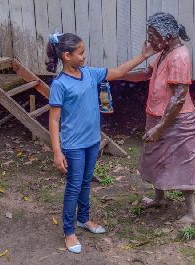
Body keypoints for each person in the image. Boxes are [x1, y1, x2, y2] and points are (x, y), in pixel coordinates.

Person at [47, 32, 154, 254]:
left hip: (92, 141)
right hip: (73, 145)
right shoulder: (60, 84)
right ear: (67, 56)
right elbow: (54, 120)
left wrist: (143, 57)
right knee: (74, 186)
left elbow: (119, 71)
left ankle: (83, 219)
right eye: (81, 53)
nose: (84, 57)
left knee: (86, 182)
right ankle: (68, 231)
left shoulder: (89, 74)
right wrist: (57, 151)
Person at [121, 12, 195, 226]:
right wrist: (118, 74)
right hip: (157, 116)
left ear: (167, 35)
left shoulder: (179, 56)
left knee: (185, 163)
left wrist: (159, 128)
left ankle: (191, 213)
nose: (149, 40)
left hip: (178, 121)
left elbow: (178, 98)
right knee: (156, 158)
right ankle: (159, 198)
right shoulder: (164, 52)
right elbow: (146, 74)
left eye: (153, 35)